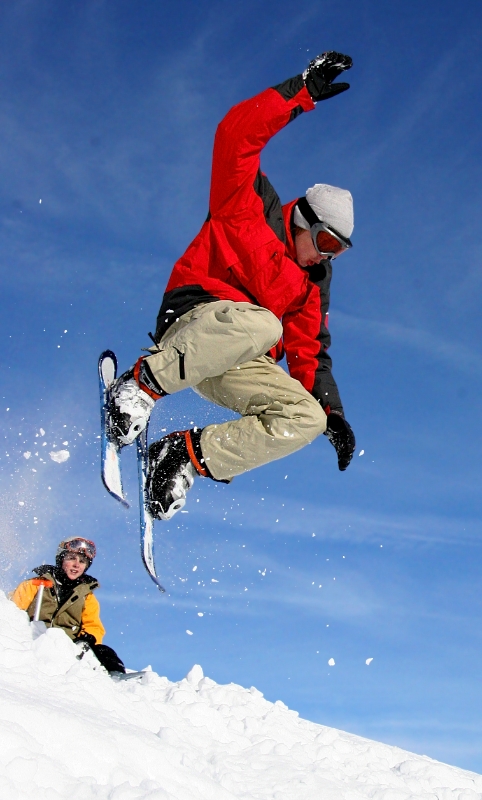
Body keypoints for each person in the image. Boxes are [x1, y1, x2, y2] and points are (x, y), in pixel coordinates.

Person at [108, 51, 357, 520]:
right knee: (264, 324)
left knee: (304, 418)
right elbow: (235, 136)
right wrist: (299, 92)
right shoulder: (247, 204)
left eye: (337, 251)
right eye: (324, 240)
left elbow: (311, 350)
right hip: (194, 320)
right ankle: (138, 386)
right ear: (302, 219)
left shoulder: (310, 283)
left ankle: (181, 456)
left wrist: (333, 415)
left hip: (234, 359)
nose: (325, 256)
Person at [9, 536, 125, 674]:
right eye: (71, 558)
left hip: (68, 647)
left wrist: (88, 638)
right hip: (34, 639)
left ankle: (118, 680)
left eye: (82, 561)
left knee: (105, 652)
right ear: (61, 559)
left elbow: (93, 626)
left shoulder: (87, 597)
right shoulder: (34, 585)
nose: (77, 564)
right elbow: (12, 613)